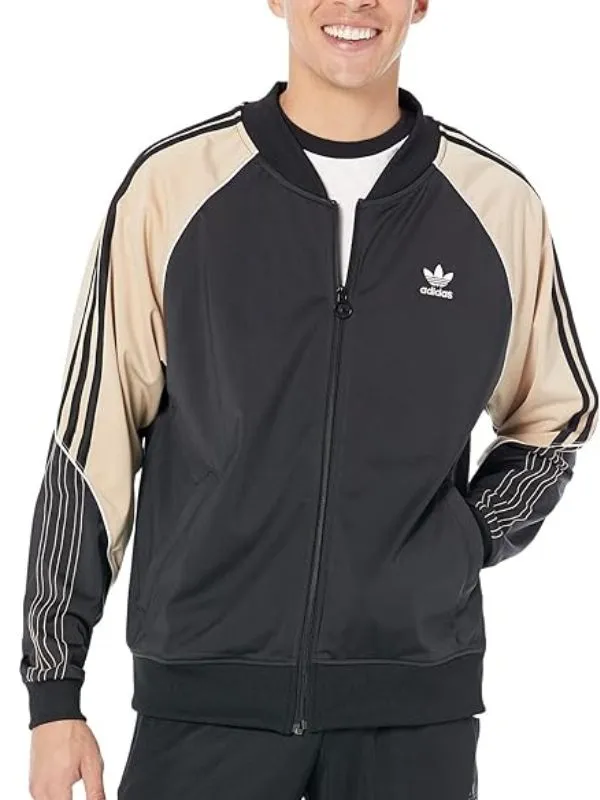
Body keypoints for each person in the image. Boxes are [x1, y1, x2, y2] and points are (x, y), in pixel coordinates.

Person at [21, 0, 598, 798]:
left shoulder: (497, 206)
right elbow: (94, 442)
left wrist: (462, 540)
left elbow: (557, 416)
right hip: (203, 704)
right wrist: (55, 693)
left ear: (420, 3)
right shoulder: (174, 186)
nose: (355, 3)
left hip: (413, 715)